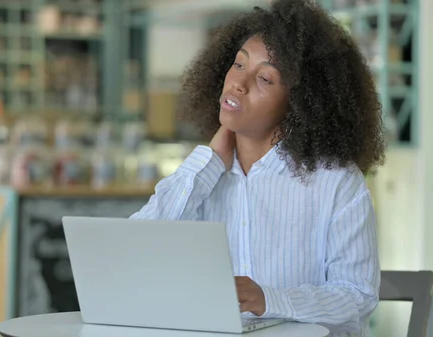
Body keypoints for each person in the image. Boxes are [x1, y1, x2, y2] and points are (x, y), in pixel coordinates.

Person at [130, 1, 385, 336]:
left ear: (299, 103)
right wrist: (206, 163)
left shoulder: (336, 182)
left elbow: (358, 296)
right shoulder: (202, 177)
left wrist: (268, 298)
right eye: (238, 64)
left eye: (264, 78)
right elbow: (135, 252)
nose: (239, 83)